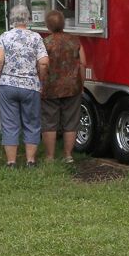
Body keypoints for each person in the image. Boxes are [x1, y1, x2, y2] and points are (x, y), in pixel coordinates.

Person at [0, 4, 49, 168]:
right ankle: (30, 160)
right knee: (32, 123)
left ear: (12, 19)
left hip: (8, 85)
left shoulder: (5, 36)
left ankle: (11, 162)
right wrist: (40, 81)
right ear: (28, 19)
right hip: (30, 86)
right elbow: (44, 63)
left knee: (9, 123)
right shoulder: (36, 37)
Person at [41, 10, 86, 163]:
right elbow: (83, 63)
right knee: (71, 122)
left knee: (49, 122)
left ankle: (50, 157)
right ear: (63, 24)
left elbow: (42, 64)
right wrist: (81, 83)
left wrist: (41, 82)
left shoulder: (45, 43)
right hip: (72, 87)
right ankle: (68, 155)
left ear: (48, 26)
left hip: (50, 88)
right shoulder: (75, 41)